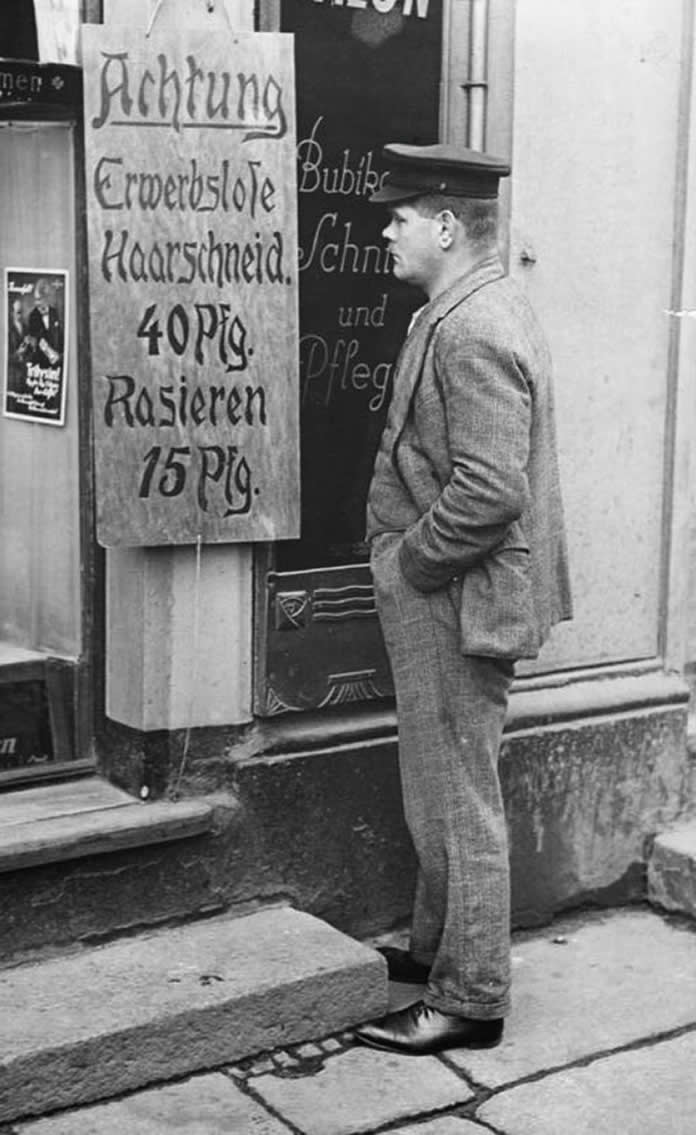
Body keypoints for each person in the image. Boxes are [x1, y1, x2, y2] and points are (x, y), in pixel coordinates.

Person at [355, 143, 572, 1056]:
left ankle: (471, 995)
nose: (385, 230)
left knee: (457, 796)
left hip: (454, 598)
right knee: (438, 785)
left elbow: (490, 491)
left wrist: (410, 563)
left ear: (447, 226)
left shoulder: (475, 324)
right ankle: (442, 950)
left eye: (399, 217)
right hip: (454, 595)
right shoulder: (465, 306)